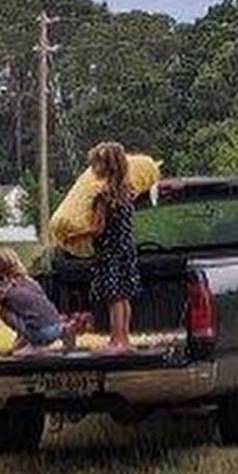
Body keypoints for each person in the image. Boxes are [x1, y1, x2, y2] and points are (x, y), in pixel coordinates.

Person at [85, 141, 142, 351]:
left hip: (109, 251)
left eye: (96, 165)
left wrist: (76, 233)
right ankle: (125, 339)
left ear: (107, 166)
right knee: (124, 296)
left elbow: (98, 229)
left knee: (113, 297)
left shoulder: (103, 196)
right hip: (126, 248)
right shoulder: (128, 192)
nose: (93, 169)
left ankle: (115, 341)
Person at [0, 248, 75, 356]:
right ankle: (63, 331)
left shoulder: (0, 290)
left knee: (3, 311)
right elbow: (34, 316)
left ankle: (36, 346)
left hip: (40, 333)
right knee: (30, 315)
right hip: (56, 326)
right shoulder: (31, 282)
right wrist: (12, 349)